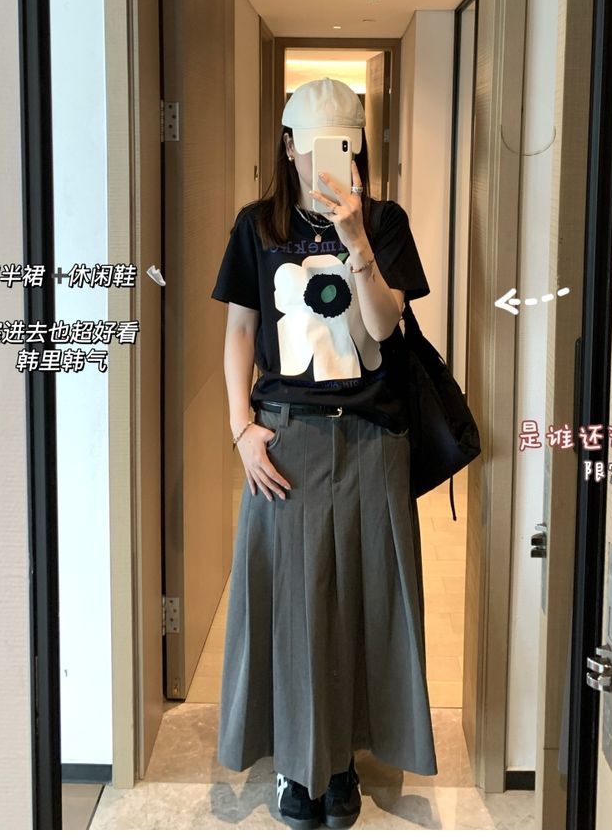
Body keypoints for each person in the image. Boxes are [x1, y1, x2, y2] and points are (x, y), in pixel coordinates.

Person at [211, 76, 437, 830]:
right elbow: (241, 331)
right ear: (288, 147)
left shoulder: (385, 223)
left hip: (372, 442)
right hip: (288, 441)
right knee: (294, 604)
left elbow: (381, 329)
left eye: (341, 145)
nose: (323, 162)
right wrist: (241, 427)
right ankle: (295, 766)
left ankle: (340, 761)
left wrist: (357, 242)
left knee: (366, 602)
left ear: (359, 148)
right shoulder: (256, 226)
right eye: (311, 147)